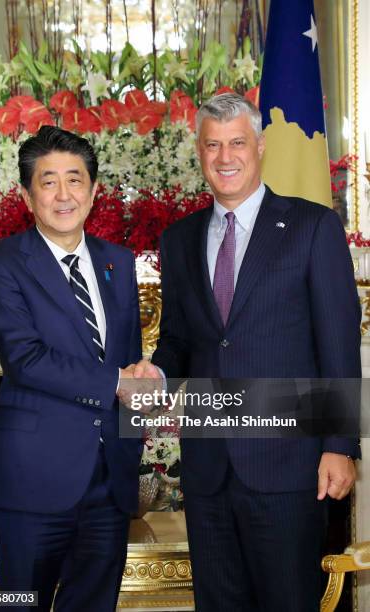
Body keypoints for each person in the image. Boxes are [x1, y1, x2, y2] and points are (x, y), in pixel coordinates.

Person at [135, 93, 362, 611]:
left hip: (289, 464)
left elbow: (338, 344)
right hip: (209, 465)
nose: (225, 157)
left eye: (237, 142)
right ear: (199, 152)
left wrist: (340, 444)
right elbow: (178, 338)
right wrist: (158, 372)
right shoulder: (179, 239)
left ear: (259, 146)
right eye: (212, 145)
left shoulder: (312, 227)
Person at [0, 126, 143, 612]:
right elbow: (25, 358)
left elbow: (127, 359)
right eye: (49, 182)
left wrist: (148, 400)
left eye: (76, 179)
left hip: (111, 481)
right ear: (28, 195)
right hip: (34, 481)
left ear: (93, 191)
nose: (64, 194)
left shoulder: (119, 263)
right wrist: (120, 383)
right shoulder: (1, 264)